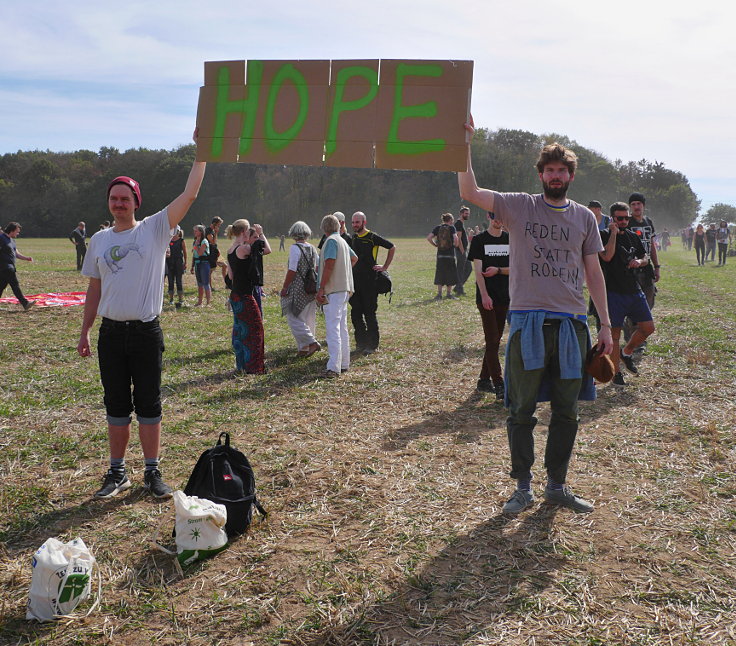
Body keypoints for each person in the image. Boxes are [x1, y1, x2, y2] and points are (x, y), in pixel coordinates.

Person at [459, 116, 613, 515]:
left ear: (571, 175)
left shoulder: (585, 218)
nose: (556, 175)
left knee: (567, 410)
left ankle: (556, 485)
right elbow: (469, 190)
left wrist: (606, 325)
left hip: (570, 326)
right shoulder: (519, 207)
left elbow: (594, 272)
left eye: (562, 170)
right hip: (527, 322)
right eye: (550, 169)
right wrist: (464, 143)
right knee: (520, 410)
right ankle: (523, 487)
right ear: (541, 174)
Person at [77, 133, 206, 499]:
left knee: (148, 402)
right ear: (109, 202)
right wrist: (85, 331)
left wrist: (202, 153)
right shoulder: (100, 240)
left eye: (125, 198)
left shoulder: (153, 229)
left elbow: (190, 195)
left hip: (146, 332)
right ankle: (117, 472)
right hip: (110, 334)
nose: (119, 204)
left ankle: (152, 472)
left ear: (136, 202)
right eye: (114, 198)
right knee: (116, 403)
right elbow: (94, 289)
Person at [599, 203, 655, 386]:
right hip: (613, 292)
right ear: (612, 219)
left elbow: (645, 257)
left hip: (634, 289)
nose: (623, 221)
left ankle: (627, 352)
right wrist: (614, 233)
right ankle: (616, 373)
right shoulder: (604, 236)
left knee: (648, 328)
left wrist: (639, 261)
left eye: (626, 218)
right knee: (615, 334)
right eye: (619, 218)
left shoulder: (633, 236)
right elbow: (607, 256)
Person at [468, 211, 509, 398]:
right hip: (487, 298)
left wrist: (499, 270)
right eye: (495, 217)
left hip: (505, 297)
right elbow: (478, 272)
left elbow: (516, 267)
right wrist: (484, 295)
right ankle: (499, 383)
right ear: (489, 217)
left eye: (501, 217)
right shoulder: (479, 240)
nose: (498, 220)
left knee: (495, 340)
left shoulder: (510, 239)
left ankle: (484, 380)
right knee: (492, 339)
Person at [317, 214, 358, 377]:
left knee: (333, 328)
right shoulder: (341, 240)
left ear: (323, 229)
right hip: (344, 289)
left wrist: (321, 288)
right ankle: (344, 363)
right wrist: (344, 273)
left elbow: (329, 265)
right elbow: (354, 258)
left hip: (333, 290)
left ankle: (333, 367)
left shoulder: (331, 241)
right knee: (341, 327)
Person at [349, 211, 395, 355]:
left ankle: (372, 345)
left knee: (369, 314)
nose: (355, 225)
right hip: (355, 282)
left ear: (364, 222)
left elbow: (392, 247)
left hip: (370, 282)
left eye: (357, 222)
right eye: (353, 222)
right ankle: (360, 343)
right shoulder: (354, 238)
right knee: (356, 314)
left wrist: (385, 267)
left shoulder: (372, 237)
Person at [226, 221, 265, 374]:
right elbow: (265, 249)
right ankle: (254, 367)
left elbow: (230, 276)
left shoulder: (230, 250)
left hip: (235, 295)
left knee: (240, 331)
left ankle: (241, 365)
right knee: (255, 330)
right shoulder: (244, 249)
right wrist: (261, 233)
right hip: (245, 296)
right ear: (243, 232)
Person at [280, 221, 321, 356]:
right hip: (311, 288)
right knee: (309, 318)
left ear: (294, 233)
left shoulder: (295, 248)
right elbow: (317, 268)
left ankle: (311, 342)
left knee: (293, 317)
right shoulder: (313, 248)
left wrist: (285, 287)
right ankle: (304, 348)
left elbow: (292, 270)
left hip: (298, 287)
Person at [0, 222, 35, 311]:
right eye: (17, 232)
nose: (18, 234)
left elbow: (16, 254)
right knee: (15, 285)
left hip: (9, 267)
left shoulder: (12, 241)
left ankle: (25, 303)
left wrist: (27, 258)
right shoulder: (1, 238)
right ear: (11, 231)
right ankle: (25, 303)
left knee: (1, 286)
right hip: (5, 267)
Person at [426, 213, 458, 300]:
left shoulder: (437, 228)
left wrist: (435, 245)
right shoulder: (452, 227)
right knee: (450, 273)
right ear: (450, 220)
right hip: (450, 255)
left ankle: (439, 294)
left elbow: (429, 238)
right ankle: (448, 294)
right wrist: (455, 245)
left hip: (440, 255)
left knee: (440, 273)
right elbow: (455, 238)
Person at [248, 223, 271, 314]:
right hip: (249, 285)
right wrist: (261, 234)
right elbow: (268, 250)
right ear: (247, 238)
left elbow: (268, 250)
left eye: (258, 237)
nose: (258, 240)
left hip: (255, 284)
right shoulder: (247, 249)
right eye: (255, 237)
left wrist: (260, 234)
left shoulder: (255, 249)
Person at [165, 226, 187, 308]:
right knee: (170, 281)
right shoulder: (168, 240)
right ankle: (171, 299)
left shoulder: (181, 240)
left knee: (178, 281)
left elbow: (184, 252)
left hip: (178, 262)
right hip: (169, 263)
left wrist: (185, 262)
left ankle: (181, 299)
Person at [453, 206, 471, 295]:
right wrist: (462, 251)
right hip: (461, 251)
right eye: (466, 213)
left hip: (464, 250)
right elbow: (458, 239)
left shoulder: (461, 223)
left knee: (468, 268)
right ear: (461, 214)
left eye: (468, 213)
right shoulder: (458, 223)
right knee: (461, 270)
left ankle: (458, 287)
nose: (468, 215)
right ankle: (459, 289)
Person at [191, 224, 211, 306]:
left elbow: (199, 253)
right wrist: (192, 266)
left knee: (205, 283)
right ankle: (200, 302)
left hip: (204, 264)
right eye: (194, 230)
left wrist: (196, 246)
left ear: (201, 232)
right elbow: (194, 255)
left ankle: (208, 303)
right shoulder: (195, 241)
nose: (194, 232)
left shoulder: (204, 241)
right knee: (199, 284)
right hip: (197, 264)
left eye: (196, 230)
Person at [205, 216, 223, 291]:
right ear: (214, 223)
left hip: (215, 252)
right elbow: (212, 242)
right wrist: (216, 233)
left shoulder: (212, 230)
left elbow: (215, 242)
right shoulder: (208, 230)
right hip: (210, 253)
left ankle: (227, 285)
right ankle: (209, 287)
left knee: (224, 266)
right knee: (209, 271)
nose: (219, 226)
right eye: (219, 224)